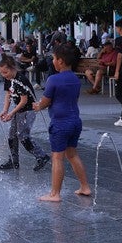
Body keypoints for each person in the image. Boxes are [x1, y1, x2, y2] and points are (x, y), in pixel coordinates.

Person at [34, 45, 92, 202]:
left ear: (60, 61)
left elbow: (45, 102)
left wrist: (38, 106)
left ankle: (55, 194)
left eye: (54, 58)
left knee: (57, 158)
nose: (53, 61)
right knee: (72, 154)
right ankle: (85, 186)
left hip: (60, 124)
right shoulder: (75, 79)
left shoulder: (53, 79)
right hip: (75, 121)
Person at [0, 55, 50, 171]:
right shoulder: (9, 79)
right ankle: (13, 160)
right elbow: (8, 95)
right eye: (1, 73)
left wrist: (11, 113)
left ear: (13, 68)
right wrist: (5, 110)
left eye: (5, 72)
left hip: (28, 110)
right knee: (12, 135)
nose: (3, 75)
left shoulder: (21, 80)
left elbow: (24, 101)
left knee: (22, 135)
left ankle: (41, 156)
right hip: (19, 109)